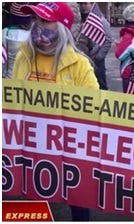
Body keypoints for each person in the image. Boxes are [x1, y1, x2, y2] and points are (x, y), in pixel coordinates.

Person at [16, 2, 99, 221]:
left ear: (61, 27)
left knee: (78, 203)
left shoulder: (80, 65)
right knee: (32, 205)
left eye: (44, 20)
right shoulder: (22, 57)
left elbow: (95, 112)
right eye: (35, 19)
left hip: (70, 152)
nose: (36, 25)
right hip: (31, 148)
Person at [78, 2, 113, 90]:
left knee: (100, 85)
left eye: (85, 4)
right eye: (81, 4)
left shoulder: (100, 20)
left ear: (92, 4)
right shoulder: (81, 20)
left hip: (96, 60)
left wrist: (99, 57)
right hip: (83, 57)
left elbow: (108, 40)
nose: (83, 6)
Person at [2, 3, 32, 78]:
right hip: (26, 78)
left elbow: (3, 60)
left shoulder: (5, 32)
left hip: (8, 78)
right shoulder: (33, 35)